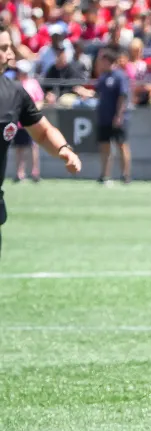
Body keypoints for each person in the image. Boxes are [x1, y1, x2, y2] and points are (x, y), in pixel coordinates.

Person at [0, 25, 82, 259]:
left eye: (10, 48)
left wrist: (64, 149)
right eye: (3, 48)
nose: (10, 55)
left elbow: (43, 132)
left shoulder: (15, 93)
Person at [94, 47, 132, 184]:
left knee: (122, 145)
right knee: (104, 146)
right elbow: (98, 95)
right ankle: (105, 174)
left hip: (116, 117)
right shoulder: (103, 77)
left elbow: (123, 96)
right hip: (104, 116)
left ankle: (125, 175)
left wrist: (119, 115)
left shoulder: (120, 76)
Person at [12, 60, 44, 183]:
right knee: (19, 147)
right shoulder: (15, 84)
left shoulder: (33, 84)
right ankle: (19, 173)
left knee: (33, 147)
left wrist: (31, 113)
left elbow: (40, 100)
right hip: (18, 122)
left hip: (30, 122)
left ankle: (35, 173)